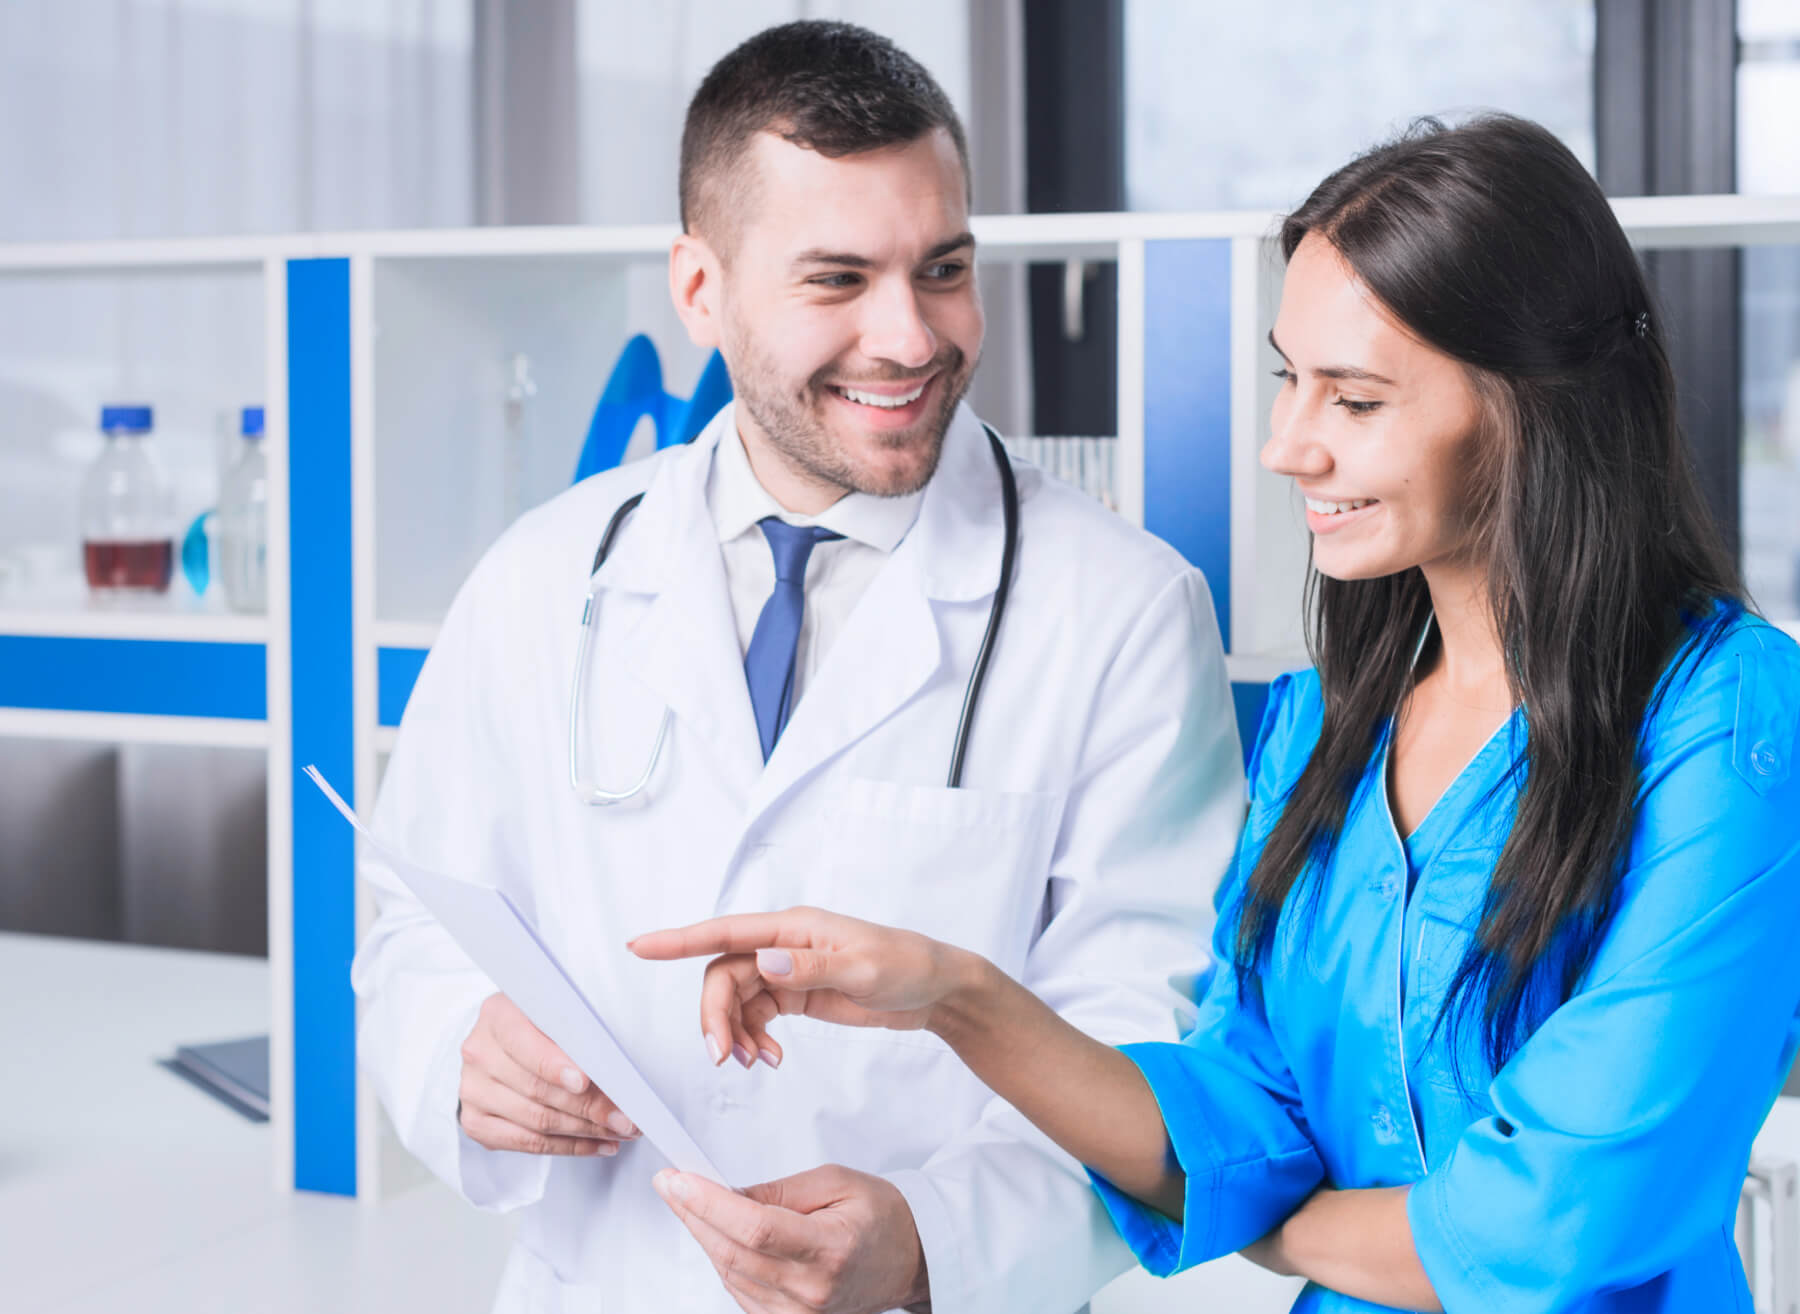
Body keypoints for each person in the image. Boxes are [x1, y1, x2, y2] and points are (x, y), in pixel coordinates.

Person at [630, 114, 1800, 1312]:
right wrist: (951, 995)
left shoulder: (1731, 721)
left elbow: (1562, 1213)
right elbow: (1233, 1122)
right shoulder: (1326, 727)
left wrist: (1274, 1228)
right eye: (1291, 377)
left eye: (1353, 400)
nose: (1287, 445)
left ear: (1528, 407)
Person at [350, 19, 1245, 1314]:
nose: (912, 335)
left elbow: (1150, 1041)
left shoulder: (1122, 609)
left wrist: (936, 1237)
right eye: (839, 280)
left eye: (944, 268)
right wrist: (458, 1053)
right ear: (699, 288)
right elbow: (416, 925)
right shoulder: (543, 580)